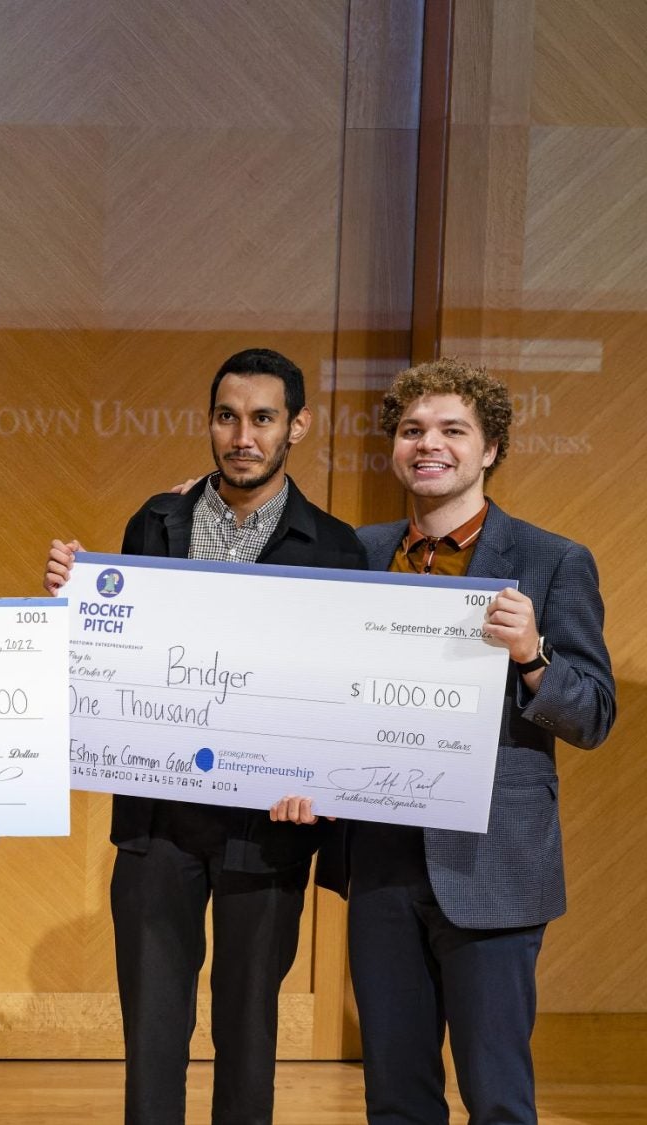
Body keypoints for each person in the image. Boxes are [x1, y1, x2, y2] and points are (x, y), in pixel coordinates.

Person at [272, 358, 615, 1124]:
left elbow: (592, 714)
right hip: (382, 861)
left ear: (490, 448)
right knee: (395, 1097)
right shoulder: (354, 552)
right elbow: (313, 690)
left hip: (492, 865)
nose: (430, 444)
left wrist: (532, 656)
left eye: (453, 430)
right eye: (412, 429)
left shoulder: (552, 561)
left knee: (497, 1097)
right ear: (395, 447)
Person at [43, 348, 365, 1124]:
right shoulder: (156, 523)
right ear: (210, 421)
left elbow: (343, 694)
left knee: (247, 1028)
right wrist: (79, 601)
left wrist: (322, 783)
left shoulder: (335, 546)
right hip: (159, 826)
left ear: (298, 425)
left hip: (271, 830)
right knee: (153, 1031)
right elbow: (122, 659)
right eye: (228, 416)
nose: (242, 436)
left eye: (262, 418)